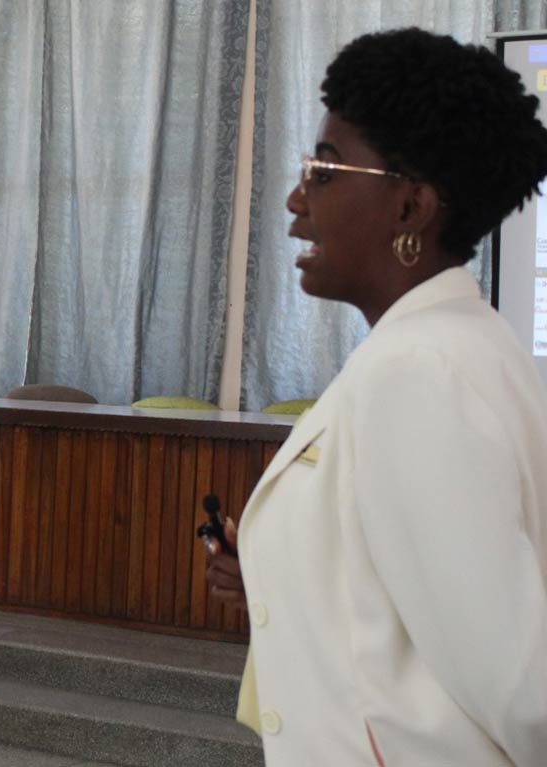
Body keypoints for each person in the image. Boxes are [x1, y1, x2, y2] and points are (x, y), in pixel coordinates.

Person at [205, 28, 547, 766]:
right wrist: (270, 571)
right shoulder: (459, 344)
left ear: (410, 208)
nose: (296, 198)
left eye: (324, 171)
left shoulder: (416, 374)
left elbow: (526, 690)